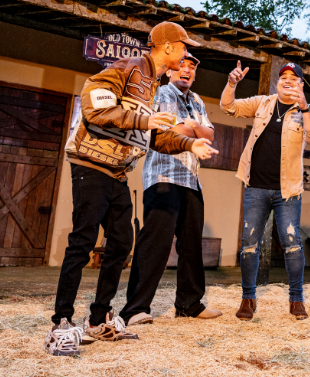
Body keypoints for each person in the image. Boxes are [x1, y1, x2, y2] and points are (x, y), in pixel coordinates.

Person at [45, 22, 218, 357]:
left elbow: (156, 135)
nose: (186, 54)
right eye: (184, 47)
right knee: (82, 241)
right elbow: (94, 107)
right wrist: (145, 121)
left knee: (122, 242)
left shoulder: (152, 84)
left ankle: (98, 320)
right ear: (167, 47)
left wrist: (190, 144)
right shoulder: (126, 67)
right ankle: (62, 322)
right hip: (91, 163)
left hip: (118, 172)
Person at [119, 51, 222, 327]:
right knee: (155, 243)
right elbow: (168, 132)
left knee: (191, 245)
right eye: (181, 66)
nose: (186, 71)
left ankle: (189, 304)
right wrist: (192, 128)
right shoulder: (162, 92)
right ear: (170, 71)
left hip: (191, 179)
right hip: (163, 177)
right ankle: (135, 309)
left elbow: (211, 135)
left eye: (192, 68)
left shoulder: (198, 100)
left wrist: (192, 126)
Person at [221, 60, 310, 321]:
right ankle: (247, 298)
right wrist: (232, 84)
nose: (287, 80)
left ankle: (296, 300)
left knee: (292, 244)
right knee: (249, 244)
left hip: (287, 191)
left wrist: (305, 104)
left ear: (300, 84)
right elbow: (229, 106)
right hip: (256, 186)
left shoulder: (303, 111)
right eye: (283, 76)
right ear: (278, 82)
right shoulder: (263, 103)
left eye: (293, 78)